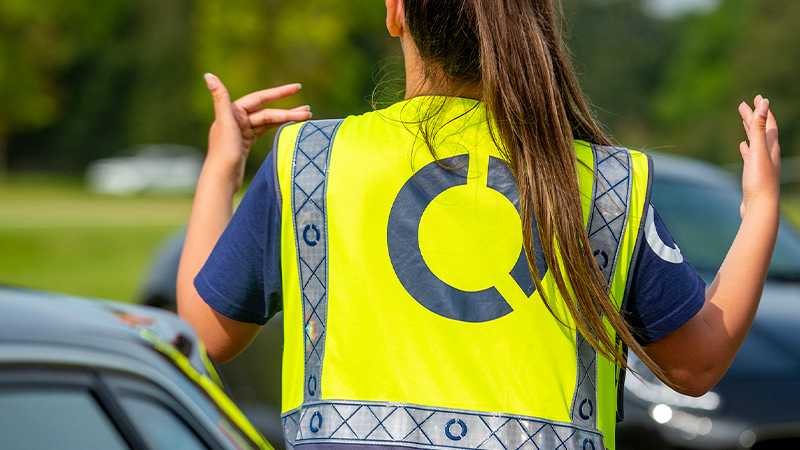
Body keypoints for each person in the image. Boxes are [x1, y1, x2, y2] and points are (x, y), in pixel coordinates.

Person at [177, 1, 782, 449]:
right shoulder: (605, 182)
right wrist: (759, 209)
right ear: (537, 23)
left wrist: (222, 168)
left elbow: (201, 336)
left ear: (396, 12)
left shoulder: (312, 160)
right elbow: (697, 364)